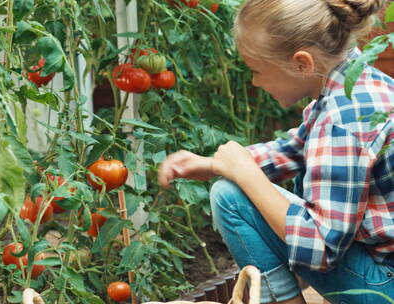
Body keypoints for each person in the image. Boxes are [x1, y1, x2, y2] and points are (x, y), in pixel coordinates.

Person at [157, 0, 394, 303]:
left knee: (230, 197)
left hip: (383, 288)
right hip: (382, 266)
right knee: (232, 184)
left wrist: (247, 177)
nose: (255, 82)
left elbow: (320, 248)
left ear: (302, 63)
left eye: (257, 70)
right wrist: (213, 164)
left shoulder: (341, 122)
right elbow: (294, 150)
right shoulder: (355, 87)